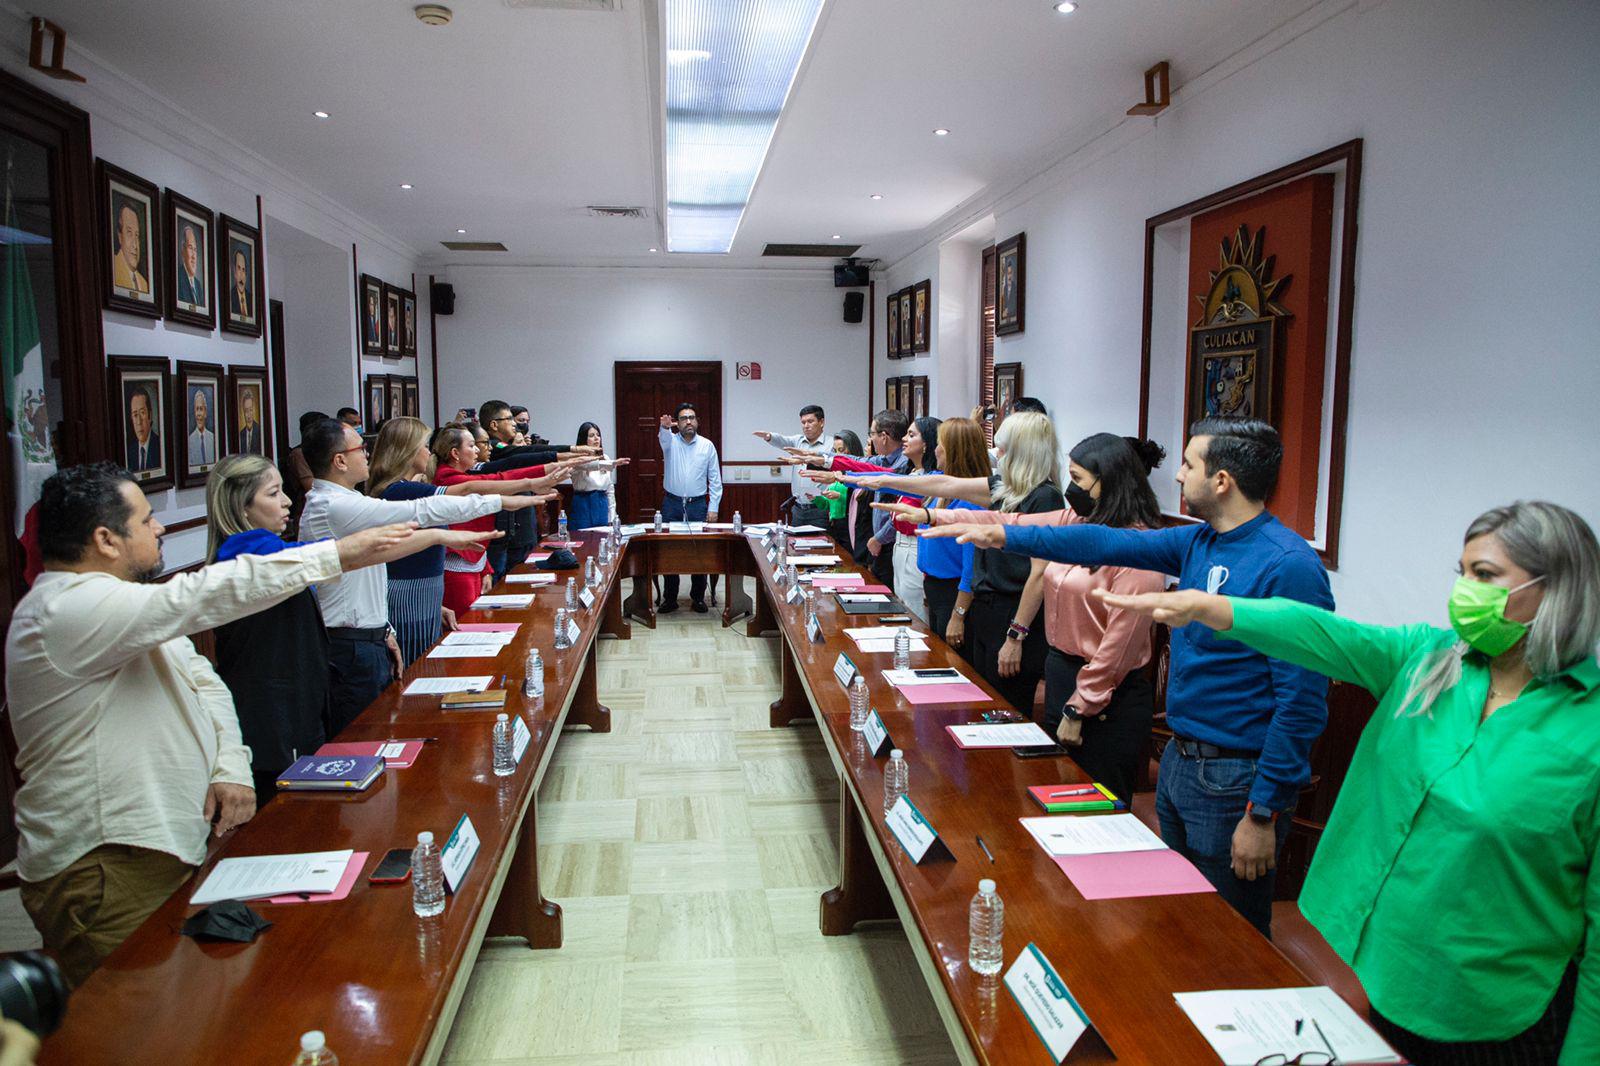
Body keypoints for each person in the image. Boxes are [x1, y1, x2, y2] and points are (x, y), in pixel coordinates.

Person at [1098, 500, 1600, 1064]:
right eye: (1462, 574)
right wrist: (1211, 608)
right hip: (1391, 974)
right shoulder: (1430, 659)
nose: (1465, 591)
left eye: (1485, 576)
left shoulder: (1587, 727)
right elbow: (1321, 633)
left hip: (1497, 1011)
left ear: (1555, 587)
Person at [6, 462, 422, 986]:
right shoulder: (63, 611)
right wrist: (341, 553)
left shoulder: (126, 606)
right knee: (135, 1015)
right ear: (106, 539)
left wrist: (230, 767)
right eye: (146, 520)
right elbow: (204, 594)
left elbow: (203, 683)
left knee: (186, 1000)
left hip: (164, 845)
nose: (159, 528)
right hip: (106, 863)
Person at [926, 418, 1332, 937]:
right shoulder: (1197, 542)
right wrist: (1001, 532)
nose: (1178, 478)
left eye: (1189, 466)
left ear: (1223, 481)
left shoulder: (1288, 565)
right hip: (1184, 762)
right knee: (1176, 922)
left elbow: (1301, 703)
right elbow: (1104, 543)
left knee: (1227, 935)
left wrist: (1264, 811)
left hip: (1237, 779)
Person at [890, 433, 1168, 801]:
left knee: (1096, 803)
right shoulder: (1076, 520)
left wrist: (1079, 707)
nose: (1071, 488)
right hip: (1061, 672)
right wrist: (933, 514)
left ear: (1111, 482)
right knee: (1058, 789)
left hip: (1105, 697)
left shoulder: (1139, 550)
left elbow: (1119, 646)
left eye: (1080, 479)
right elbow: (1012, 520)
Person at [205, 454, 493, 796]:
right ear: (242, 507)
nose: (286, 501)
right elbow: (344, 555)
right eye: (273, 494)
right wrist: (435, 537)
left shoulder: (270, 547)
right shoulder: (247, 553)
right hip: (276, 720)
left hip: (301, 706)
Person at [298, 418, 523, 732]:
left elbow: (375, 569)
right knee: (363, 735)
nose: (366, 454)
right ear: (339, 461)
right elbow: (420, 511)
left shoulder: (350, 501)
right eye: (359, 449)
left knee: (385, 727)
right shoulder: (332, 506)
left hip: (368, 638)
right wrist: (500, 500)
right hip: (348, 646)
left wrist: (385, 629)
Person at [851, 412, 1063, 711]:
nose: (997, 454)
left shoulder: (1045, 497)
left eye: (1003, 448)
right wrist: (882, 481)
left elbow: (1039, 575)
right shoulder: (1003, 487)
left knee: (1007, 707)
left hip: (1013, 613)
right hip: (986, 610)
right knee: (977, 698)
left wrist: (1016, 635)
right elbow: (945, 486)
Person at [367, 417, 558, 664]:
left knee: (430, 664)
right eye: (424, 446)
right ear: (407, 451)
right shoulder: (399, 491)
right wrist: (532, 488)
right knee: (419, 665)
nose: (429, 452)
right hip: (410, 595)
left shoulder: (405, 488)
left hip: (426, 592)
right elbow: (469, 494)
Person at [431, 426, 570, 615]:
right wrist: (540, 476)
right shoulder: (448, 479)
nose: (478, 450)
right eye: (472, 446)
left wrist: (484, 568)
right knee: (466, 621)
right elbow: (502, 477)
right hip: (457, 567)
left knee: (479, 618)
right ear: (455, 453)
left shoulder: (462, 475)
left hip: (475, 562)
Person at [657, 403, 722, 613]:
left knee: (699, 552)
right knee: (669, 551)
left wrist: (713, 508)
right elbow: (664, 438)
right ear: (678, 423)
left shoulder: (707, 446)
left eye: (692, 418)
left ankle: (698, 597)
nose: (688, 422)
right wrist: (665, 428)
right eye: (684, 418)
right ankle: (670, 598)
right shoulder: (670, 442)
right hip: (672, 504)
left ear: (697, 422)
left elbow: (715, 480)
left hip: (698, 506)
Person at [754, 405, 830, 528]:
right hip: (798, 509)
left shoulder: (831, 444)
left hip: (820, 509)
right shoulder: (798, 441)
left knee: (820, 545)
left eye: (810, 421)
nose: (806, 425)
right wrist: (769, 437)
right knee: (795, 545)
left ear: (821, 422)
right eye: (803, 422)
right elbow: (782, 440)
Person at [569, 422, 629, 530]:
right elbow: (588, 465)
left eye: (598, 435)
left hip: (602, 502)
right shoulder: (577, 458)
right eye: (591, 436)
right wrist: (613, 463)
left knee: (602, 539)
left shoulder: (605, 458)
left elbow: (610, 490)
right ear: (584, 439)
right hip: (584, 503)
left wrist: (612, 516)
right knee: (583, 540)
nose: (596, 439)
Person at [818, 430, 862, 548]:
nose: (837, 455)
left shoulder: (860, 473)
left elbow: (861, 503)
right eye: (834, 451)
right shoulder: (835, 472)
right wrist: (817, 499)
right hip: (835, 525)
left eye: (841, 451)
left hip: (852, 525)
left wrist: (839, 496)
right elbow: (828, 504)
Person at [110, 202, 148, 294]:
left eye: (137, 235)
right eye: (129, 233)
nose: (135, 245)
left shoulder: (144, 284)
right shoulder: (113, 270)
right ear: (120, 236)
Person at [125, 385, 160, 473]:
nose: (139, 421)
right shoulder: (130, 452)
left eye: (142, 413)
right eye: (135, 415)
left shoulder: (160, 447)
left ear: (150, 416)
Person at [186, 388, 216, 468]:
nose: (198, 413)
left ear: (205, 413)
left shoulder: (213, 439)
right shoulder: (189, 441)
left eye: (201, 409)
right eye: (197, 409)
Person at [176, 224, 204, 307]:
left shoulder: (198, 285)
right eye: (190, 248)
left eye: (195, 250)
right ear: (183, 250)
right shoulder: (178, 278)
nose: (193, 256)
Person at [236, 388, 263, 455]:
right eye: (246, 411)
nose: (249, 414)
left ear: (254, 410)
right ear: (243, 412)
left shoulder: (261, 431)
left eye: (250, 410)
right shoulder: (241, 434)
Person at [229, 247, 251, 321]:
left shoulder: (251, 298)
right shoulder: (230, 297)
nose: (241, 274)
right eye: (239, 268)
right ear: (234, 272)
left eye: (243, 270)